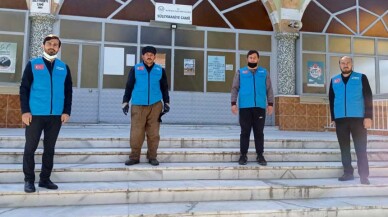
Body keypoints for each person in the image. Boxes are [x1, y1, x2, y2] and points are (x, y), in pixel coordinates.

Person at [20, 34, 73, 193]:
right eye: (49, 43)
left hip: (55, 116)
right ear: (43, 46)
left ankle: (45, 179)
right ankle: (29, 180)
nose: (52, 46)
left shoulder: (63, 67)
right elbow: (24, 89)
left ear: (59, 48)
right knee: (30, 148)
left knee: (49, 149)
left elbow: (68, 91)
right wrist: (25, 111)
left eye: (55, 44)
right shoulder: (33, 64)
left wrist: (66, 111)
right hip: (35, 114)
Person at [122, 46, 170, 166]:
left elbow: (164, 87)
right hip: (138, 105)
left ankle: (152, 156)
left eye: (151, 54)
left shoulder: (160, 70)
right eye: (147, 54)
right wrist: (125, 101)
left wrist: (167, 102)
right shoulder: (136, 69)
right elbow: (129, 85)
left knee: (154, 133)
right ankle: (134, 157)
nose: (149, 56)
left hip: (155, 105)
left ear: (154, 57)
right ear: (142, 56)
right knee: (136, 133)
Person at [329, 56, 373, 185]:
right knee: (344, 148)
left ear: (352, 64)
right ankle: (348, 173)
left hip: (358, 119)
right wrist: (333, 118)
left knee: (361, 148)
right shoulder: (334, 80)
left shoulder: (361, 77)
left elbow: (368, 97)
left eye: (348, 62)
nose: (345, 65)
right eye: (343, 63)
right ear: (339, 65)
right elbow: (332, 100)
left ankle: (364, 176)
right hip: (341, 120)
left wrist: (368, 116)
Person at [231, 50, 274, 165]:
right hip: (245, 107)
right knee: (245, 132)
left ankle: (260, 155)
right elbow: (235, 88)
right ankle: (243, 155)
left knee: (259, 132)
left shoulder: (264, 72)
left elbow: (269, 89)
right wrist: (233, 103)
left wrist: (270, 104)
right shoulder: (241, 72)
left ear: (258, 59)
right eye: (250, 57)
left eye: (254, 58)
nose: (252, 59)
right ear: (247, 59)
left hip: (259, 107)